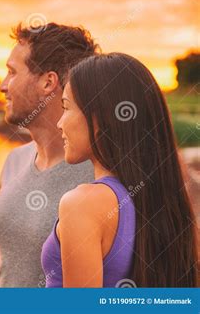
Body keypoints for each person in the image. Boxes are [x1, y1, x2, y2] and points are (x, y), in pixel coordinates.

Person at [42, 52, 198, 287]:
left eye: (66, 107)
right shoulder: (166, 200)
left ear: (100, 117)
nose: (60, 123)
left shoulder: (82, 204)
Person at [0, 22, 99, 287]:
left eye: (12, 72)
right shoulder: (15, 161)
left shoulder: (101, 171)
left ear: (48, 82)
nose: (2, 85)